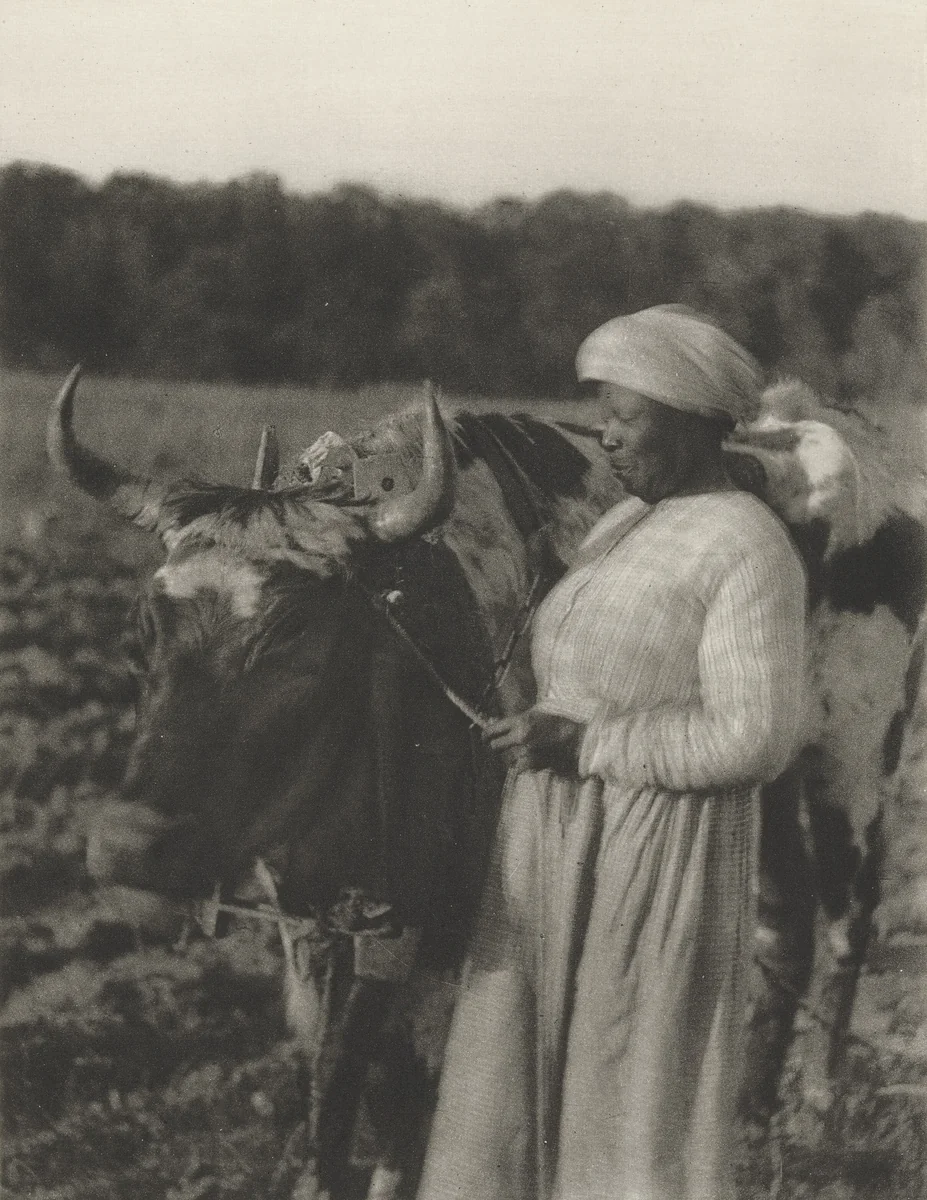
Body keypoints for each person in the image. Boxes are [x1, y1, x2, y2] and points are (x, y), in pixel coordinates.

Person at [415, 305, 808, 1200]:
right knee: (516, 1077)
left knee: (624, 1079)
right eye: (603, 413)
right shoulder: (622, 523)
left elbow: (758, 737)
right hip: (556, 832)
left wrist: (591, 742)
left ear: (696, 419)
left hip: (654, 856)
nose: (604, 435)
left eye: (625, 417)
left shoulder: (746, 545)